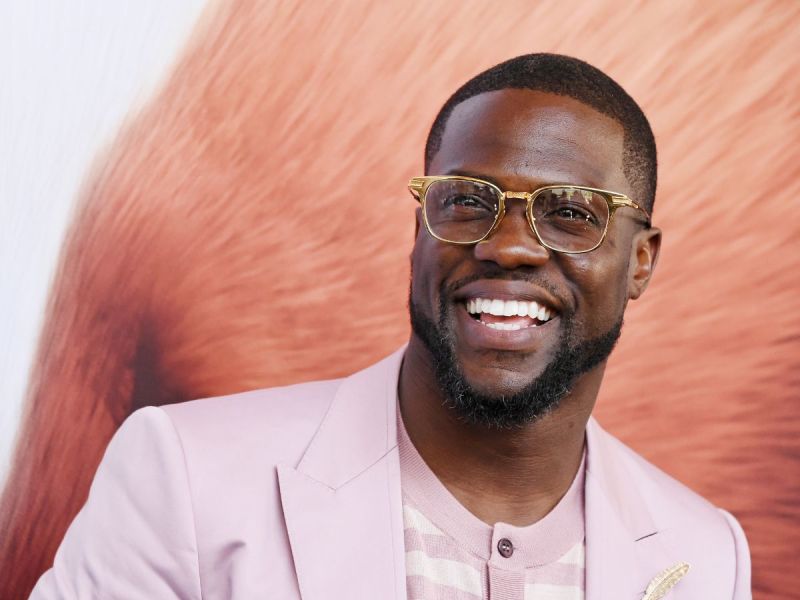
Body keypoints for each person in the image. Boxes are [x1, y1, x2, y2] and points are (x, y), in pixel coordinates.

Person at [30, 53, 751, 599]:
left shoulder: (707, 555)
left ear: (640, 262)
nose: (507, 247)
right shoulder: (185, 477)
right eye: (467, 202)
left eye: (569, 214)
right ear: (419, 230)